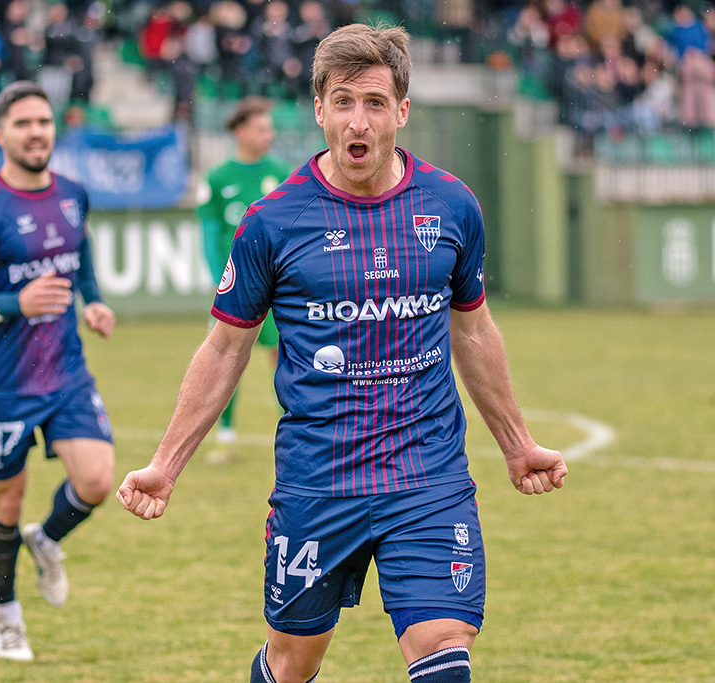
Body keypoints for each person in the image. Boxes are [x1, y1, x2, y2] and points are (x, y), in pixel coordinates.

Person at [117, 23, 568, 683]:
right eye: (346, 101)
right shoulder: (273, 222)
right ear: (321, 109)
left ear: (402, 112)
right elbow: (224, 350)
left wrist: (517, 443)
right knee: (294, 661)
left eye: (377, 103)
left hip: (428, 478)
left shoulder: (450, 205)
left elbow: (473, 331)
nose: (361, 120)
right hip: (319, 482)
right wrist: (167, 463)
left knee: (444, 647)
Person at [0, 80, 116, 662]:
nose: (36, 131)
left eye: (43, 121)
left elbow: (79, 255)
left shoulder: (73, 194)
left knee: (96, 480)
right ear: (1, 135)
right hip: (4, 385)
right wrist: (17, 304)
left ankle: (48, 538)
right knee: (5, 502)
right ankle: (6, 616)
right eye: (23, 124)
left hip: (65, 373)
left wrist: (91, 299)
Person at [196, 96, 294, 461]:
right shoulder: (217, 178)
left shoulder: (284, 173)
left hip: (278, 286)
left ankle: (295, 432)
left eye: (270, 129)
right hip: (235, 287)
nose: (268, 135)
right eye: (261, 128)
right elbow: (209, 233)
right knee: (225, 357)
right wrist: (215, 278)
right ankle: (226, 436)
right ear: (240, 131)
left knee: (284, 356)